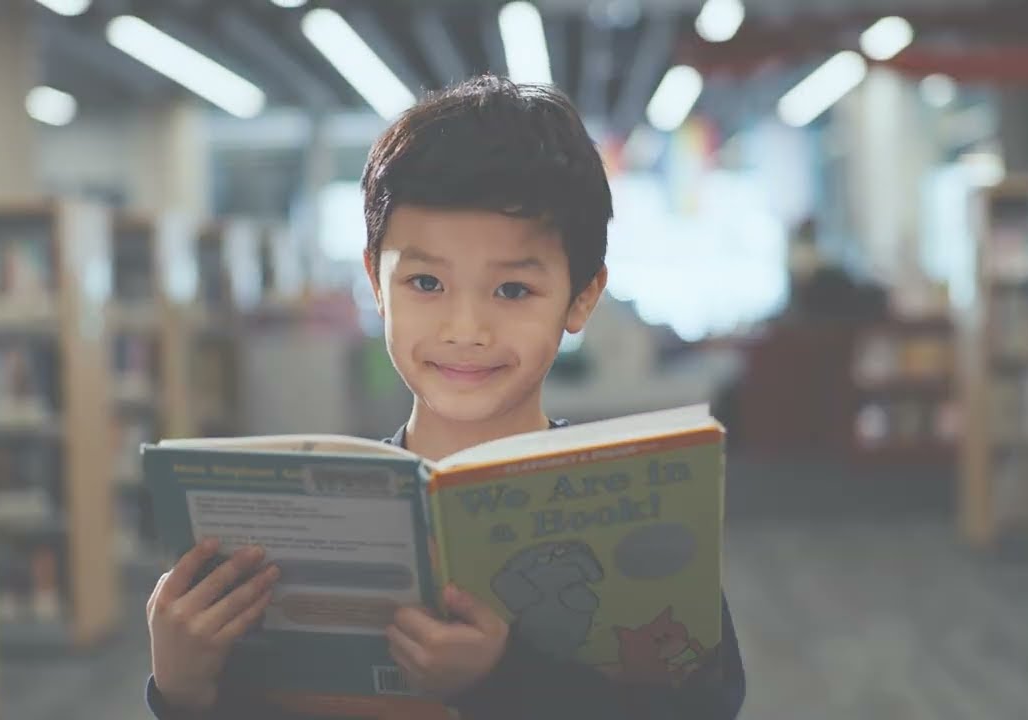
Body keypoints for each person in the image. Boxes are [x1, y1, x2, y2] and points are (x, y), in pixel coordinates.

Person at [143, 75, 745, 720]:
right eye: (426, 282)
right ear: (377, 282)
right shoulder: (292, 517)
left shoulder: (631, 500)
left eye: (512, 291)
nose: (465, 330)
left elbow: (704, 704)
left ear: (581, 297)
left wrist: (502, 681)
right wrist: (184, 691)